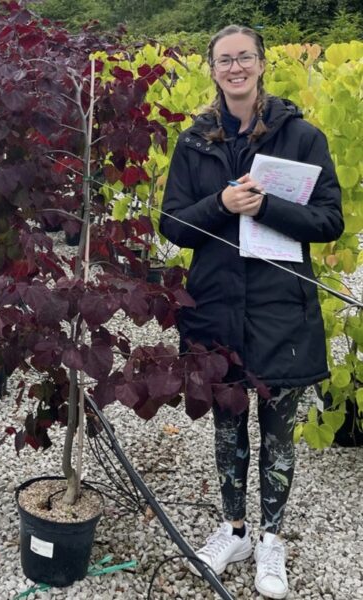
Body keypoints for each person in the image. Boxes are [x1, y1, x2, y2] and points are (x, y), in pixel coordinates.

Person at [159, 24, 343, 599]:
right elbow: (173, 223)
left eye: (244, 58)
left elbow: (329, 221)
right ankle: (234, 527)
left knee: (278, 432)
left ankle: (271, 540)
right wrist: (221, 203)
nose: (234, 67)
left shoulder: (302, 137)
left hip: (279, 307)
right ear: (212, 69)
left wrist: (268, 209)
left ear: (262, 64)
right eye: (223, 60)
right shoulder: (194, 143)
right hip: (215, 305)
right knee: (227, 424)